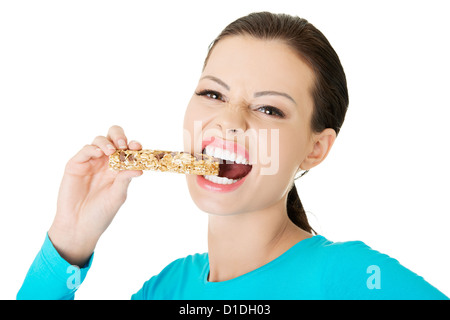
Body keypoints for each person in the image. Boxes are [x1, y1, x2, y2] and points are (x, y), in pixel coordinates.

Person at [17, 11, 448, 300]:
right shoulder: (166, 289)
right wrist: (68, 243)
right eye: (212, 93)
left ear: (316, 148)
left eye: (269, 108)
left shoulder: (351, 278)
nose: (230, 120)